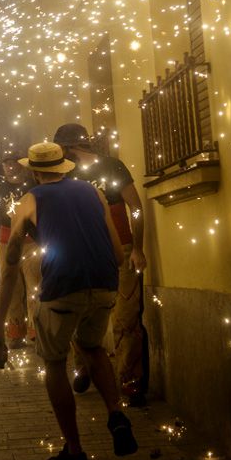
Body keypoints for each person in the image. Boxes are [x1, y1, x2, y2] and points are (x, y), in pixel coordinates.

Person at [0, 142, 137, 460]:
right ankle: (116, 415)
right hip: (105, 284)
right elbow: (119, 254)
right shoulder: (94, 192)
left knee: (55, 363)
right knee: (93, 349)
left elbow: (10, 269)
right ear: (65, 166)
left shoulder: (30, 200)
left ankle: (75, 450)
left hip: (64, 287)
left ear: (35, 172)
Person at [54, 123, 149, 406]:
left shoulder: (112, 167)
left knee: (126, 317)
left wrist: (138, 248)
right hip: (84, 255)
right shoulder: (65, 175)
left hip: (121, 249)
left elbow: (135, 207)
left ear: (70, 148)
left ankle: (128, 380)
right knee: (78, 314)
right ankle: (83, 367)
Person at [0, 155, 40, 348]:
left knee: (35, 287)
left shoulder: (33, 187)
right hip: (6, 242)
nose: (9, 167)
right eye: (5, 164)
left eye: (13, 163)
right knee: (11, 288)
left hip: (32, 243)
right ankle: (15, 332)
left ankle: (36, 331)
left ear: (21, 165)